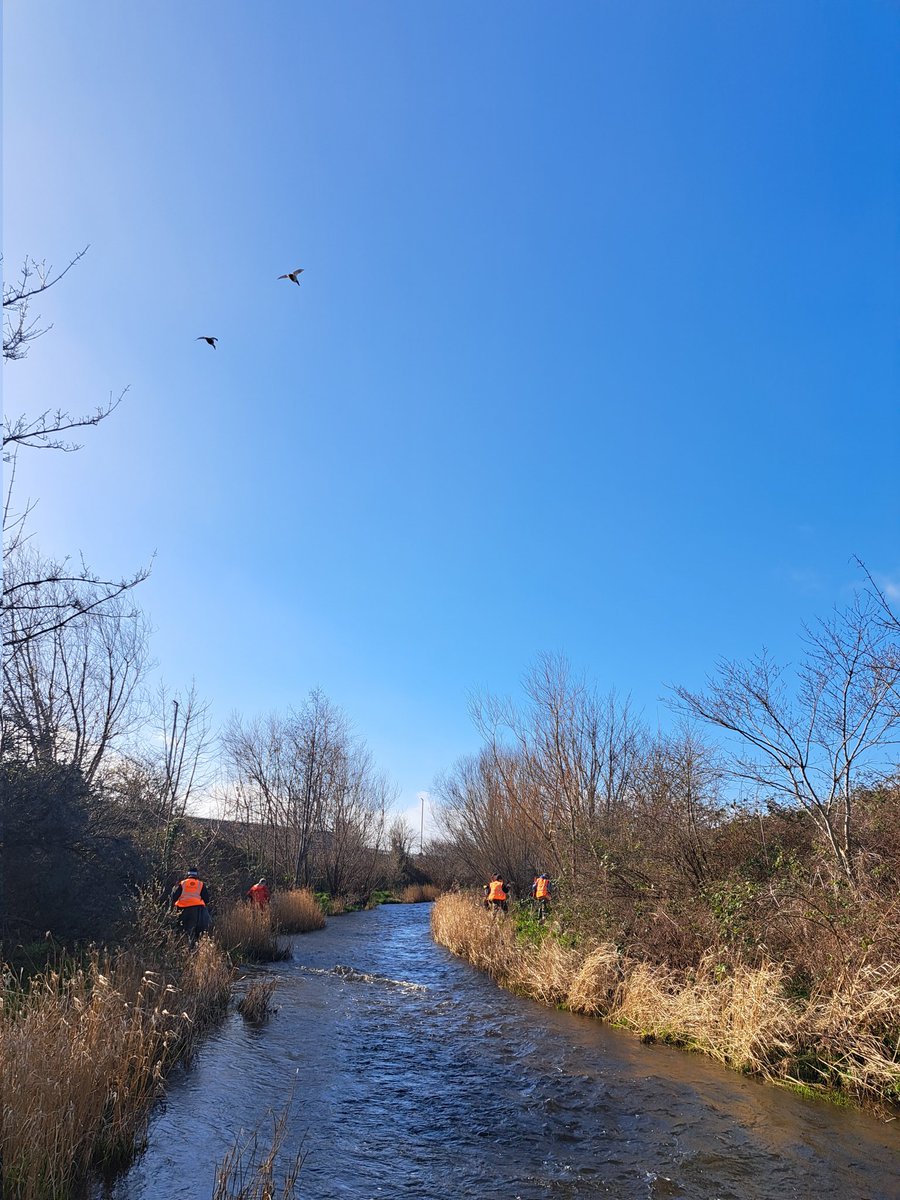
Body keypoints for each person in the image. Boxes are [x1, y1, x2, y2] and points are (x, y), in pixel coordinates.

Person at [170, 868, 210, 945]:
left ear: (188, 874)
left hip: (181, 909)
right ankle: (190, 948)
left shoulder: (182, 883)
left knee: (180, 928)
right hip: (195, 910)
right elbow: (206, 899)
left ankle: (178, 946)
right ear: (197, 875)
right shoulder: (200, 884)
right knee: (191, 929)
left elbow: (174, 897)